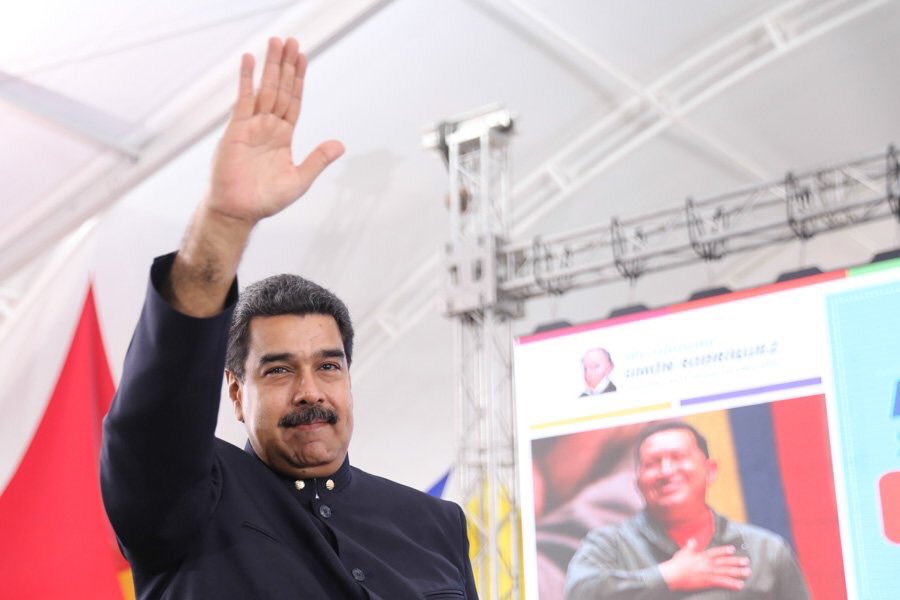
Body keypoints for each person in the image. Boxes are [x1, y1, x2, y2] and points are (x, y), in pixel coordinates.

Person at [100, 37, 478, 599]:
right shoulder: (188, 499)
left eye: (328, 366)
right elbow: (157, 411)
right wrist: (224, 224)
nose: (310, 391)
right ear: (235, 392)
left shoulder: (434, 524)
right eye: (278, 370)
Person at [564, 422, 809, 599]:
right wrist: (666, 577)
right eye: (653, 463)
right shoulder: (610, 545)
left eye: (678, 457)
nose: (667, 471)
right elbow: (579, 593)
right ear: (637, 481)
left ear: (710, 471)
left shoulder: (765, 550)